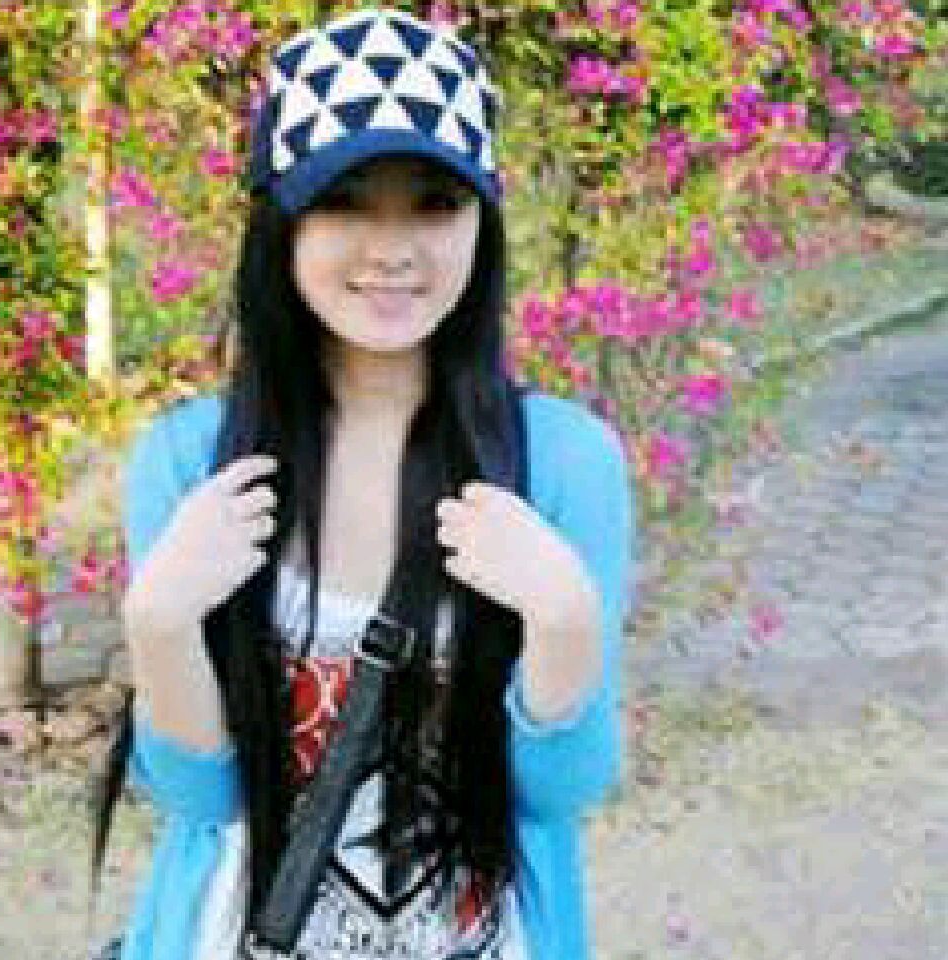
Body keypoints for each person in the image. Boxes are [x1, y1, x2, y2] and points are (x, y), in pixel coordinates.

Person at [88, 8, 637, 960]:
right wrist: (160, 623)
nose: (391, 248)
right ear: (282, 225)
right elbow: (201, 802)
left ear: (483, 224)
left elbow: (558, 798)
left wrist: (565, 621)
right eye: (346, 201)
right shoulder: (189, 462)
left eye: (434, 203)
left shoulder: (563, 461)